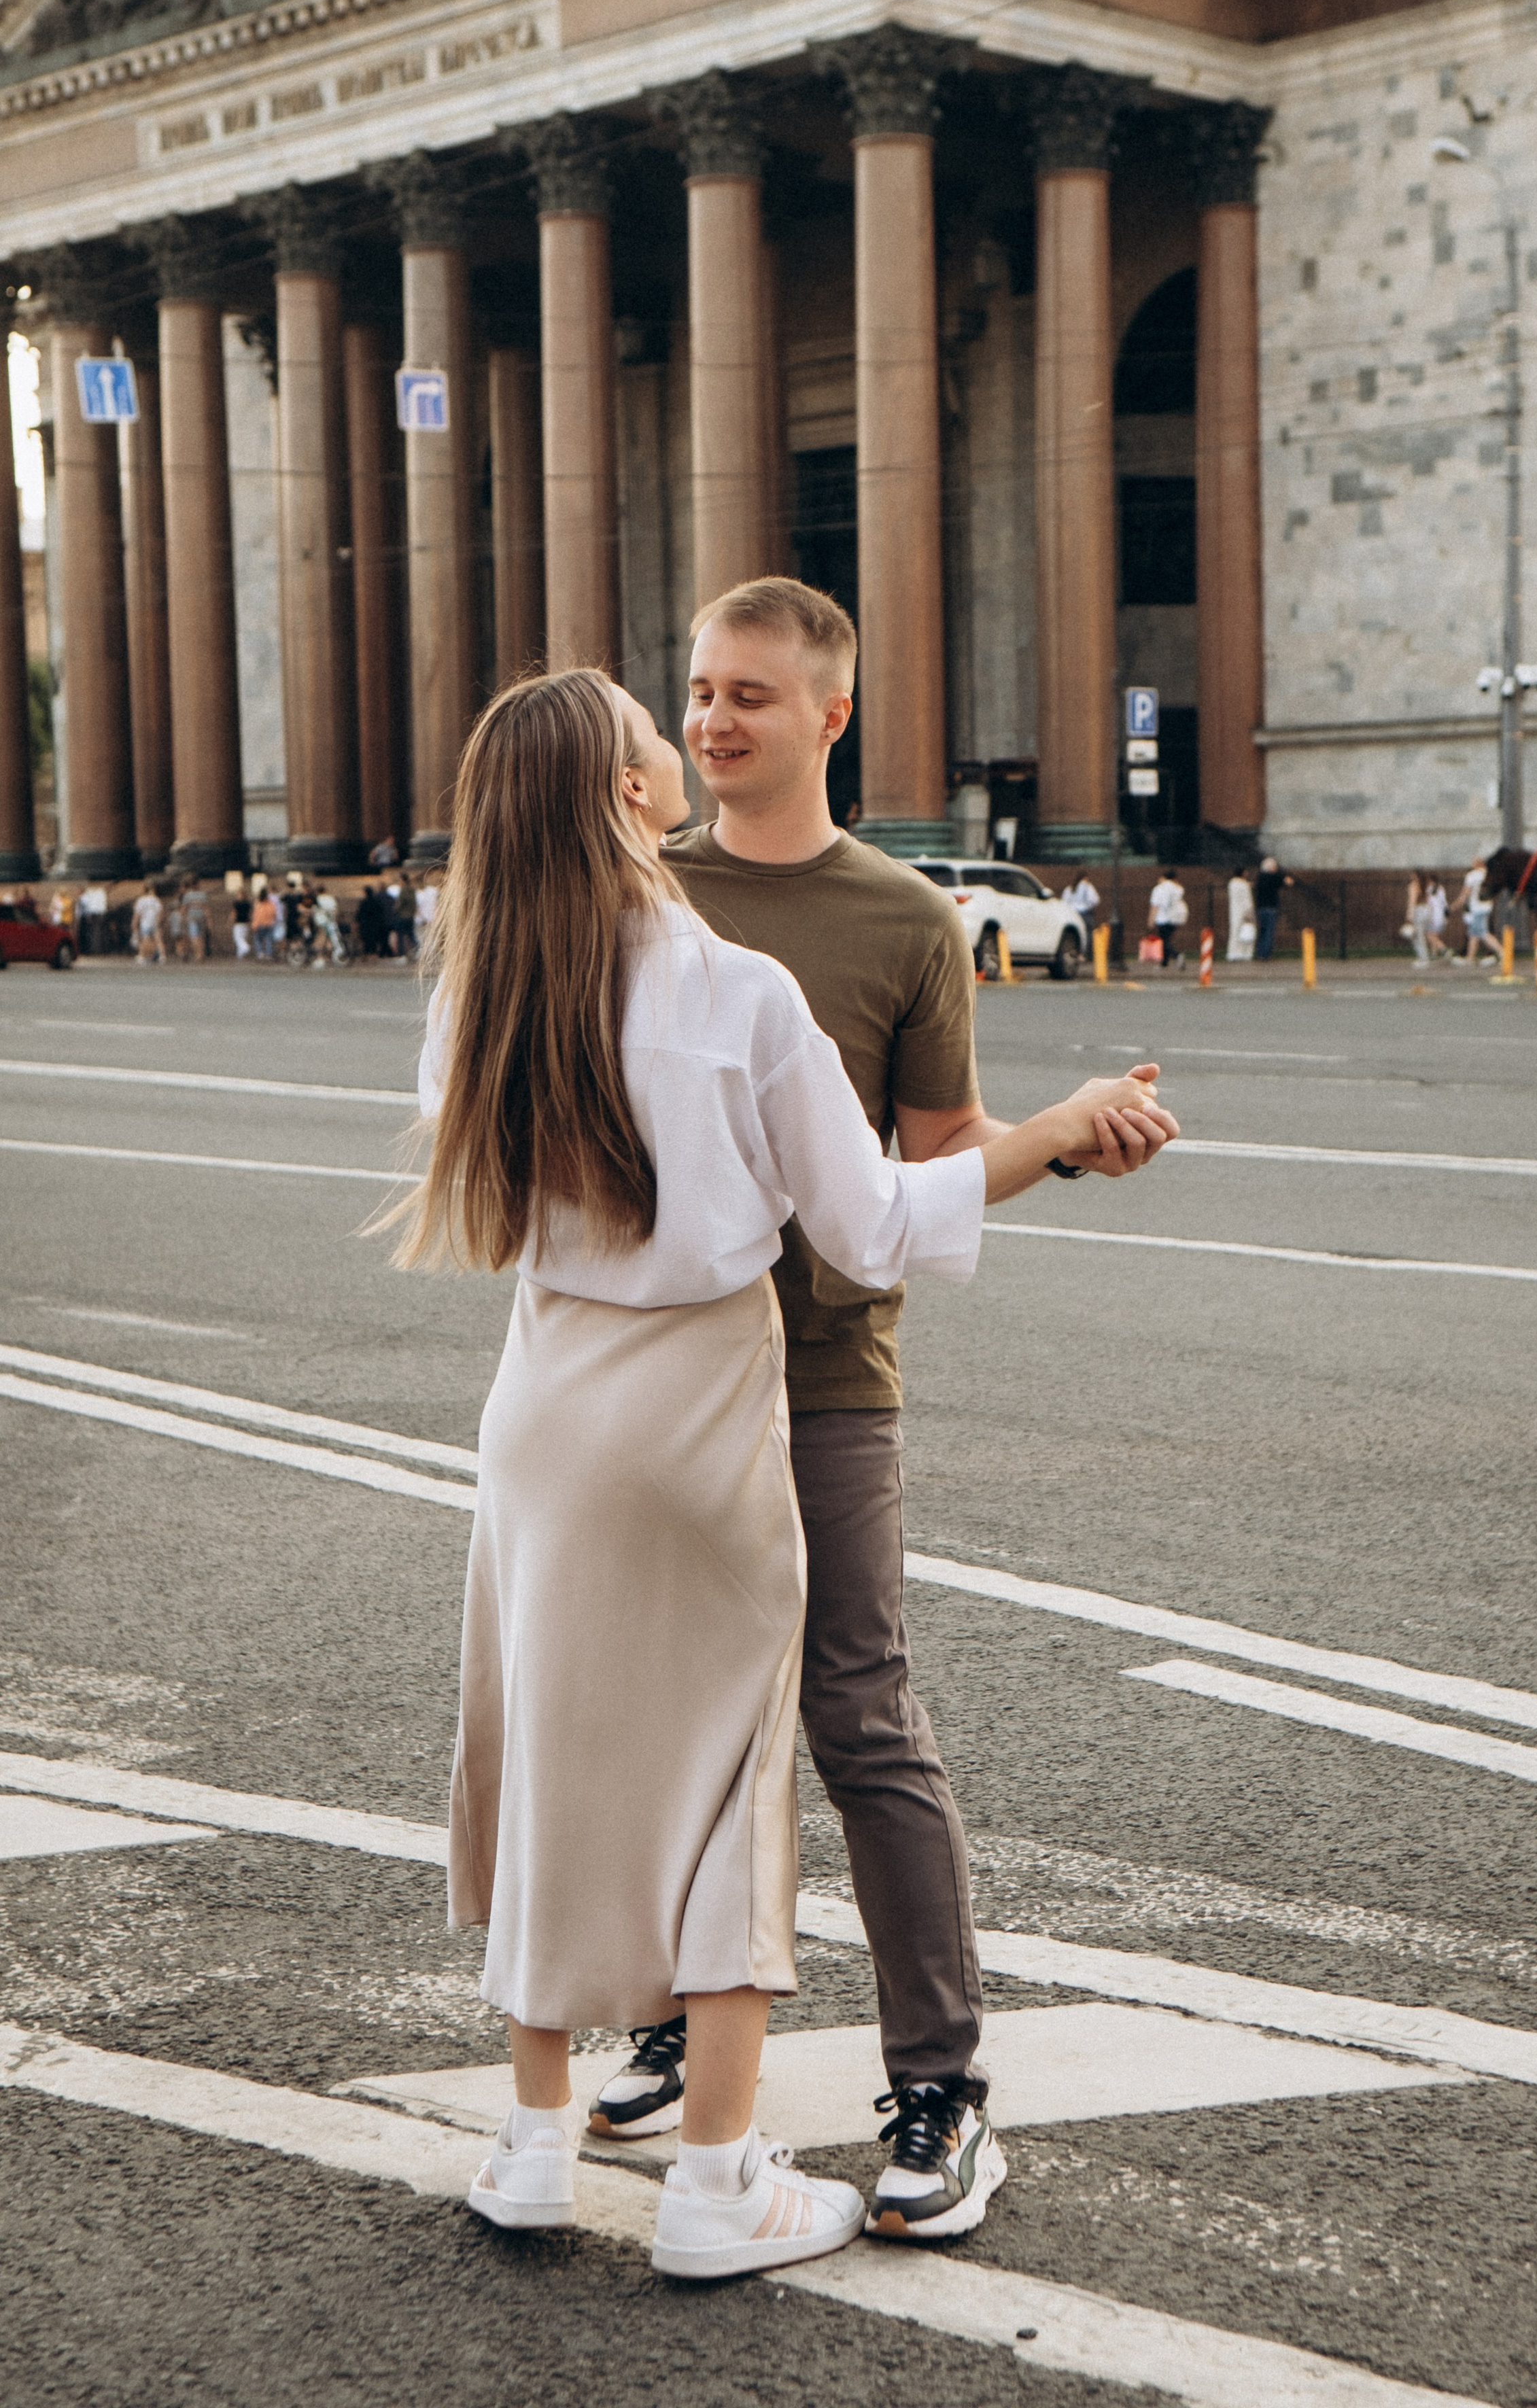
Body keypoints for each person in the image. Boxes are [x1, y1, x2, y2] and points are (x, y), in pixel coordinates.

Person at [389, 664, 1174, 2275]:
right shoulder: (738, 991)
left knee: (545, 1759)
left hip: (542, 1401)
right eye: (647, 728)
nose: (676, 741)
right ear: (624, 796)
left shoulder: (478, 994)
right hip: (696, 1405)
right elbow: (874, 1221)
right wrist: (1059, 1127)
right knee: (729, 1777)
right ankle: (717, 2180)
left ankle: (532, 2143)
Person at [1451, 859, 1502, 966]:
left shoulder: (1472, 875)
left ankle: (1504, 953)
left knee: (1484, 933)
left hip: (1477, 908)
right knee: (1474, 933)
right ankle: (1470, 958)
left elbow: (1465, 895)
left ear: (1475, 864)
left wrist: (1453, 907)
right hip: (1487, 907)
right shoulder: (1489, 874)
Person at [1252, 856, 1292, 962]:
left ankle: (1260, 953)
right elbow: (1284, 882)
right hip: (1270, 908)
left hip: (1261, 908)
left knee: (1262, 931)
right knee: (1269, 932)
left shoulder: (1260, 878)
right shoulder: (1273, 878)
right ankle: (1266, 954)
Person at [1147, 867, 1186, 969]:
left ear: (1163, 877)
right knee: (1167, 940)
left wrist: (1151, 919)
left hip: (1162, 918)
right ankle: (1164, 963)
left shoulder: (1159, 889)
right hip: (1176, 917)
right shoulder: (1178, 888)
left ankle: (1177, 955)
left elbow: (1155, 905)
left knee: (1164, 941)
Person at [1060, 870, 1101, 946]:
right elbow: (1095, 900)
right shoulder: (1088, 887)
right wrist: (1088, 906)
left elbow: (1064, 902)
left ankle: (1073, 950)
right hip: (1084, 913)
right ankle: (1083, 952)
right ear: (1086, 878)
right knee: (1087, 933)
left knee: (1073, 933)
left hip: (1072, 914)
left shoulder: (1070, 888)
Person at [1224, 867, 1255, 961]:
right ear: (1243, 873)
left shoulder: (1232, 883)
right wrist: (1250, 912)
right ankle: (1246, 953)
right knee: (1247, 932)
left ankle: (1233, 953)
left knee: (1234, 932)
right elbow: (1247, 899)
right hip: (1244, 911)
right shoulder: (1244, 884)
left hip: (1234, 911)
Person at [178, 875, 209, 962]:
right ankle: (201, 954)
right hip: (201, 918)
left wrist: (181, 918)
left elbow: (184, 908)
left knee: (194, 937)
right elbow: (206, 908)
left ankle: (198, 954)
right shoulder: (203, 895)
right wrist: (209, 920)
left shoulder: (188, 895)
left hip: (192, 918)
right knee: (201, 937)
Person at [133, 880, 163, 965]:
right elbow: (160, 912)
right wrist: (160, 921)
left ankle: (144, 955)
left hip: (145, 922)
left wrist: (135, 923)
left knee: (146, 939)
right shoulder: (156, 900)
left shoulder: (141, 901)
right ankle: (162, 956)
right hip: (154, 921)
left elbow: (138, 913)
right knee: (158, 939)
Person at [76, 883, 108, 956]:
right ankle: (94, 949)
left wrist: (87, 916)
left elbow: (84, 908)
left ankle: (91, 950)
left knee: (91, 934)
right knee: (95, 933)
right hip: (94, 914)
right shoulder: (95, 895)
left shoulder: (84, 897)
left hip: (87, 916)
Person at [250, 885, 277, 963]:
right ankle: (269, 954)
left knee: (258, 939)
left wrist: (254, 924)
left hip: (260, 924)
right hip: (269, 924)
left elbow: (256, 915)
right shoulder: (271, 904)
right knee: (269, 940)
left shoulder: (258, 904)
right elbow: (274, 913)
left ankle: (260, 953)